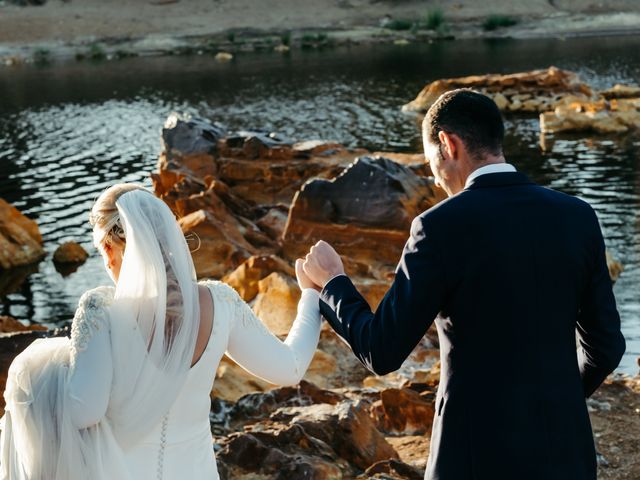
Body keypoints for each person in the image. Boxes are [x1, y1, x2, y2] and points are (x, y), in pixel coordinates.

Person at [302, 89, 625, 480]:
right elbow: (606, 347)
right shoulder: (578, 216)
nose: (436, 181)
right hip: (567, 454)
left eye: (429, 163)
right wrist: (558, 403)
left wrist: (332, 283)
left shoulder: (438, 227)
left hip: (473, 459)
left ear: (447, 144)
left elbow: (381, 349)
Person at [0, 183, 322, 480]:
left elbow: (84, 411)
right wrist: (311, 295)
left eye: (102, 254)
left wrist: (44, 371)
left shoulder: (101, 312)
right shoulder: (221, 303)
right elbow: (289, 368)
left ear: (111, 250)